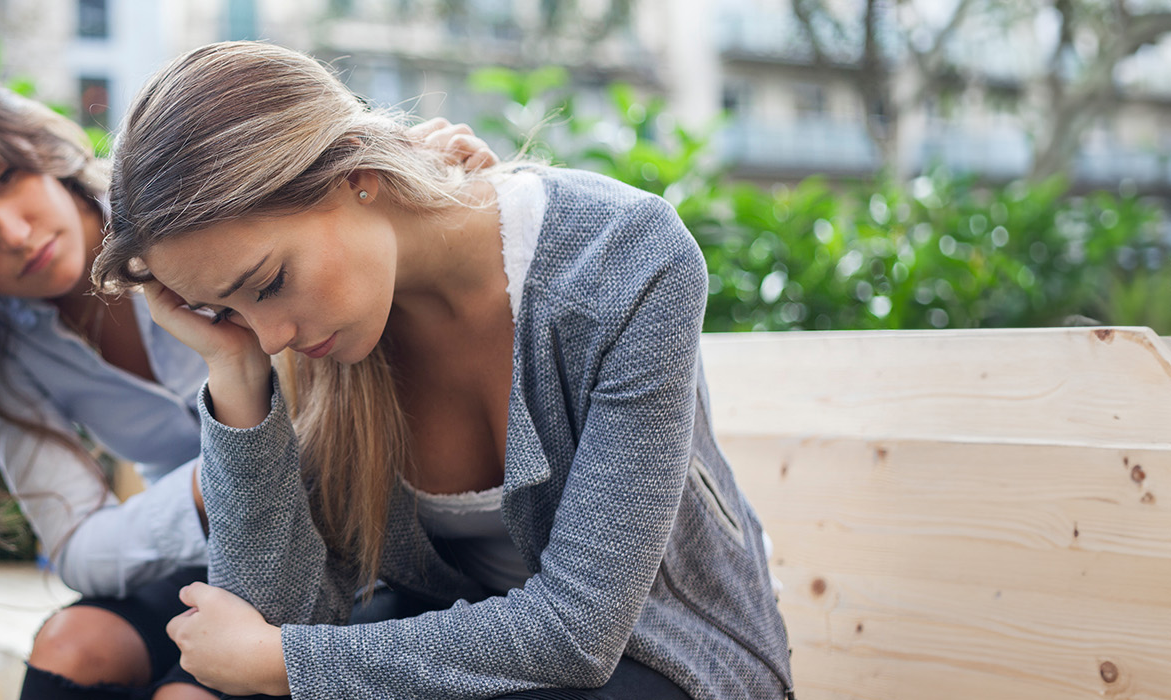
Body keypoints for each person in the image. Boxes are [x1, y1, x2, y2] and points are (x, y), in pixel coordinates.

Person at [89, 42, 795, 700]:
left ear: (357, 176)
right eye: (226, 308)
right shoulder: (318, 340)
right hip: (459, 663)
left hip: (666, 662)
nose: (270, 333)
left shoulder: (622, 257)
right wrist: (236, 376)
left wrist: (286, 661)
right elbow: (280, 615)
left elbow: (581, 633)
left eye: (269, 282)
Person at [0, 53, 497, 700]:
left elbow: (334, 188)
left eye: (4, 176)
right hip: (208, 548)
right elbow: (77, 547)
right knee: (75, 644)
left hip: (343, 537)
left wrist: (434, 187)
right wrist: (210, 487)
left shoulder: (183, 214)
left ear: (34, 146)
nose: (13, 231)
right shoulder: (1, 353)